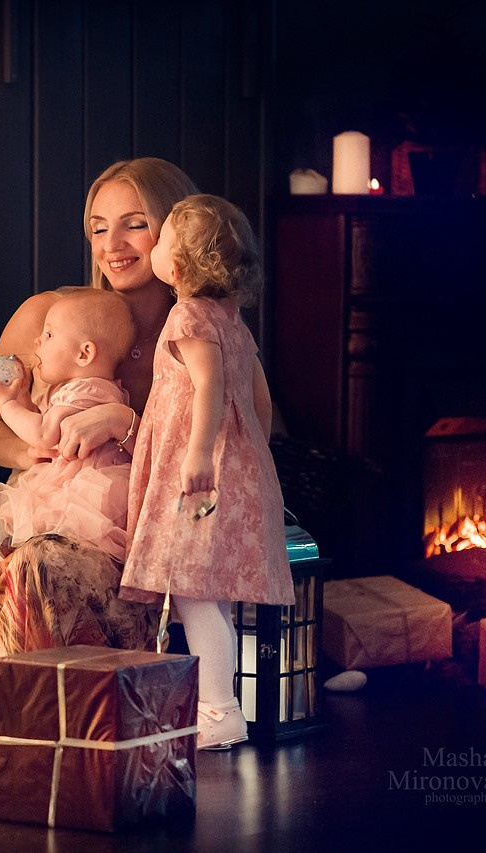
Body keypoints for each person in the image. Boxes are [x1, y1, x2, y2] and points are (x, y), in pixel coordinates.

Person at [0, 158, 199, 746]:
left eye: (135, 224)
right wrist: (33, 450)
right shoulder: (48, 317)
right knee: (38, 559)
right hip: (41, 518)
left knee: (49, 562)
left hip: (135, 541)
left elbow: (239, 443)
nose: (113, 245)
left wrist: (125, 424)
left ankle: (62, 731)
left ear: (174, 229)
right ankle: (24, 733)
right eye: (99, 226)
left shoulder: (198, 332)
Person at [121, 194, 293, 751]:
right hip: (236, 467)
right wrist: (254, 454)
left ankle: (220, 709)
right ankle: (216, 705)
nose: (156, 246)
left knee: (194, 591)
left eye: (164, 236)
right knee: (208, 592)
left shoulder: (189, 316)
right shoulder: (231, 319)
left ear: (183, 263)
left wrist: (200, 454)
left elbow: (209, 387)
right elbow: (260, 398)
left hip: (203, 471)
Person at [0, 288, 136, 573]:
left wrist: (6, 404)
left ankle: (1, 559)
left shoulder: (85, 391)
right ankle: (1, 555)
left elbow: (44, 435)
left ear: (84, 353)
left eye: (49, 335)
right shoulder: (84, 389)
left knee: (41, 519)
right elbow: (48, 428)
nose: (37, 340)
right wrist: (24, 400)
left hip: (78, 488)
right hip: (70, 476)